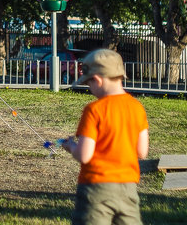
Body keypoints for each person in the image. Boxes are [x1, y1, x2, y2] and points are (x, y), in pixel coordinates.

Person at [61, 49, 149, 225]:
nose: (90, 89)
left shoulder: (94, 110)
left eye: (88, 84)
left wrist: (71, 146)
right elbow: (142, 152)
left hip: (96, 188)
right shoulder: (137, 107)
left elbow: (84, 155)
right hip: (128, 187)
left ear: (98, 80)